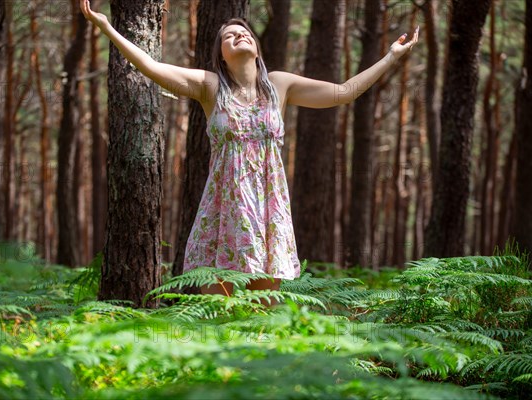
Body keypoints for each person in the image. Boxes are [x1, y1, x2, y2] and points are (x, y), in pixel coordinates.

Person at [80, 0, 419, 302]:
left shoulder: (280, 85)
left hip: (268, 210)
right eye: (229, 36)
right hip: (223, 210)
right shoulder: (210, 86)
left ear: (256, 47)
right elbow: (152, 67)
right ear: (221, 56)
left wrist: (391, 56)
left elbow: (343, 92)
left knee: (262, 316)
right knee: (216, 309)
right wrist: (107, 27)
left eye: (244, 32)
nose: (239, 36)